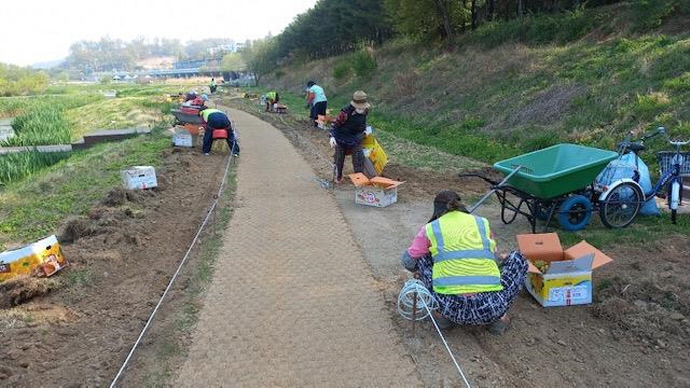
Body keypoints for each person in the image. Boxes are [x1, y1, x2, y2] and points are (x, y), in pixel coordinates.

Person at [401, 191, 528, 335]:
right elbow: (491, 257)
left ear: (437, 209)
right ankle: (499, 318)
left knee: (422, 258)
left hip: (449, 308)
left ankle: (440, 315)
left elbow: (408, 261)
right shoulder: (482, 223)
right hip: (491, 307)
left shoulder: (430, 228)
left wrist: (431, 264)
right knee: (518, 259)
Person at [329, 90, 370, 184]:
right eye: (359, 107)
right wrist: (332, 137)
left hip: (356, 138)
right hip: (341, 138)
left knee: (359, 158)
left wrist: (364, 130)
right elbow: (335, 125)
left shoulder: (365, 111)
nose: (361, 109)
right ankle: (338, 177)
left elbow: (362, 123)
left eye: (362, 107)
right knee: (339, 158)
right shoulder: (345, 113)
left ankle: (359, 180)